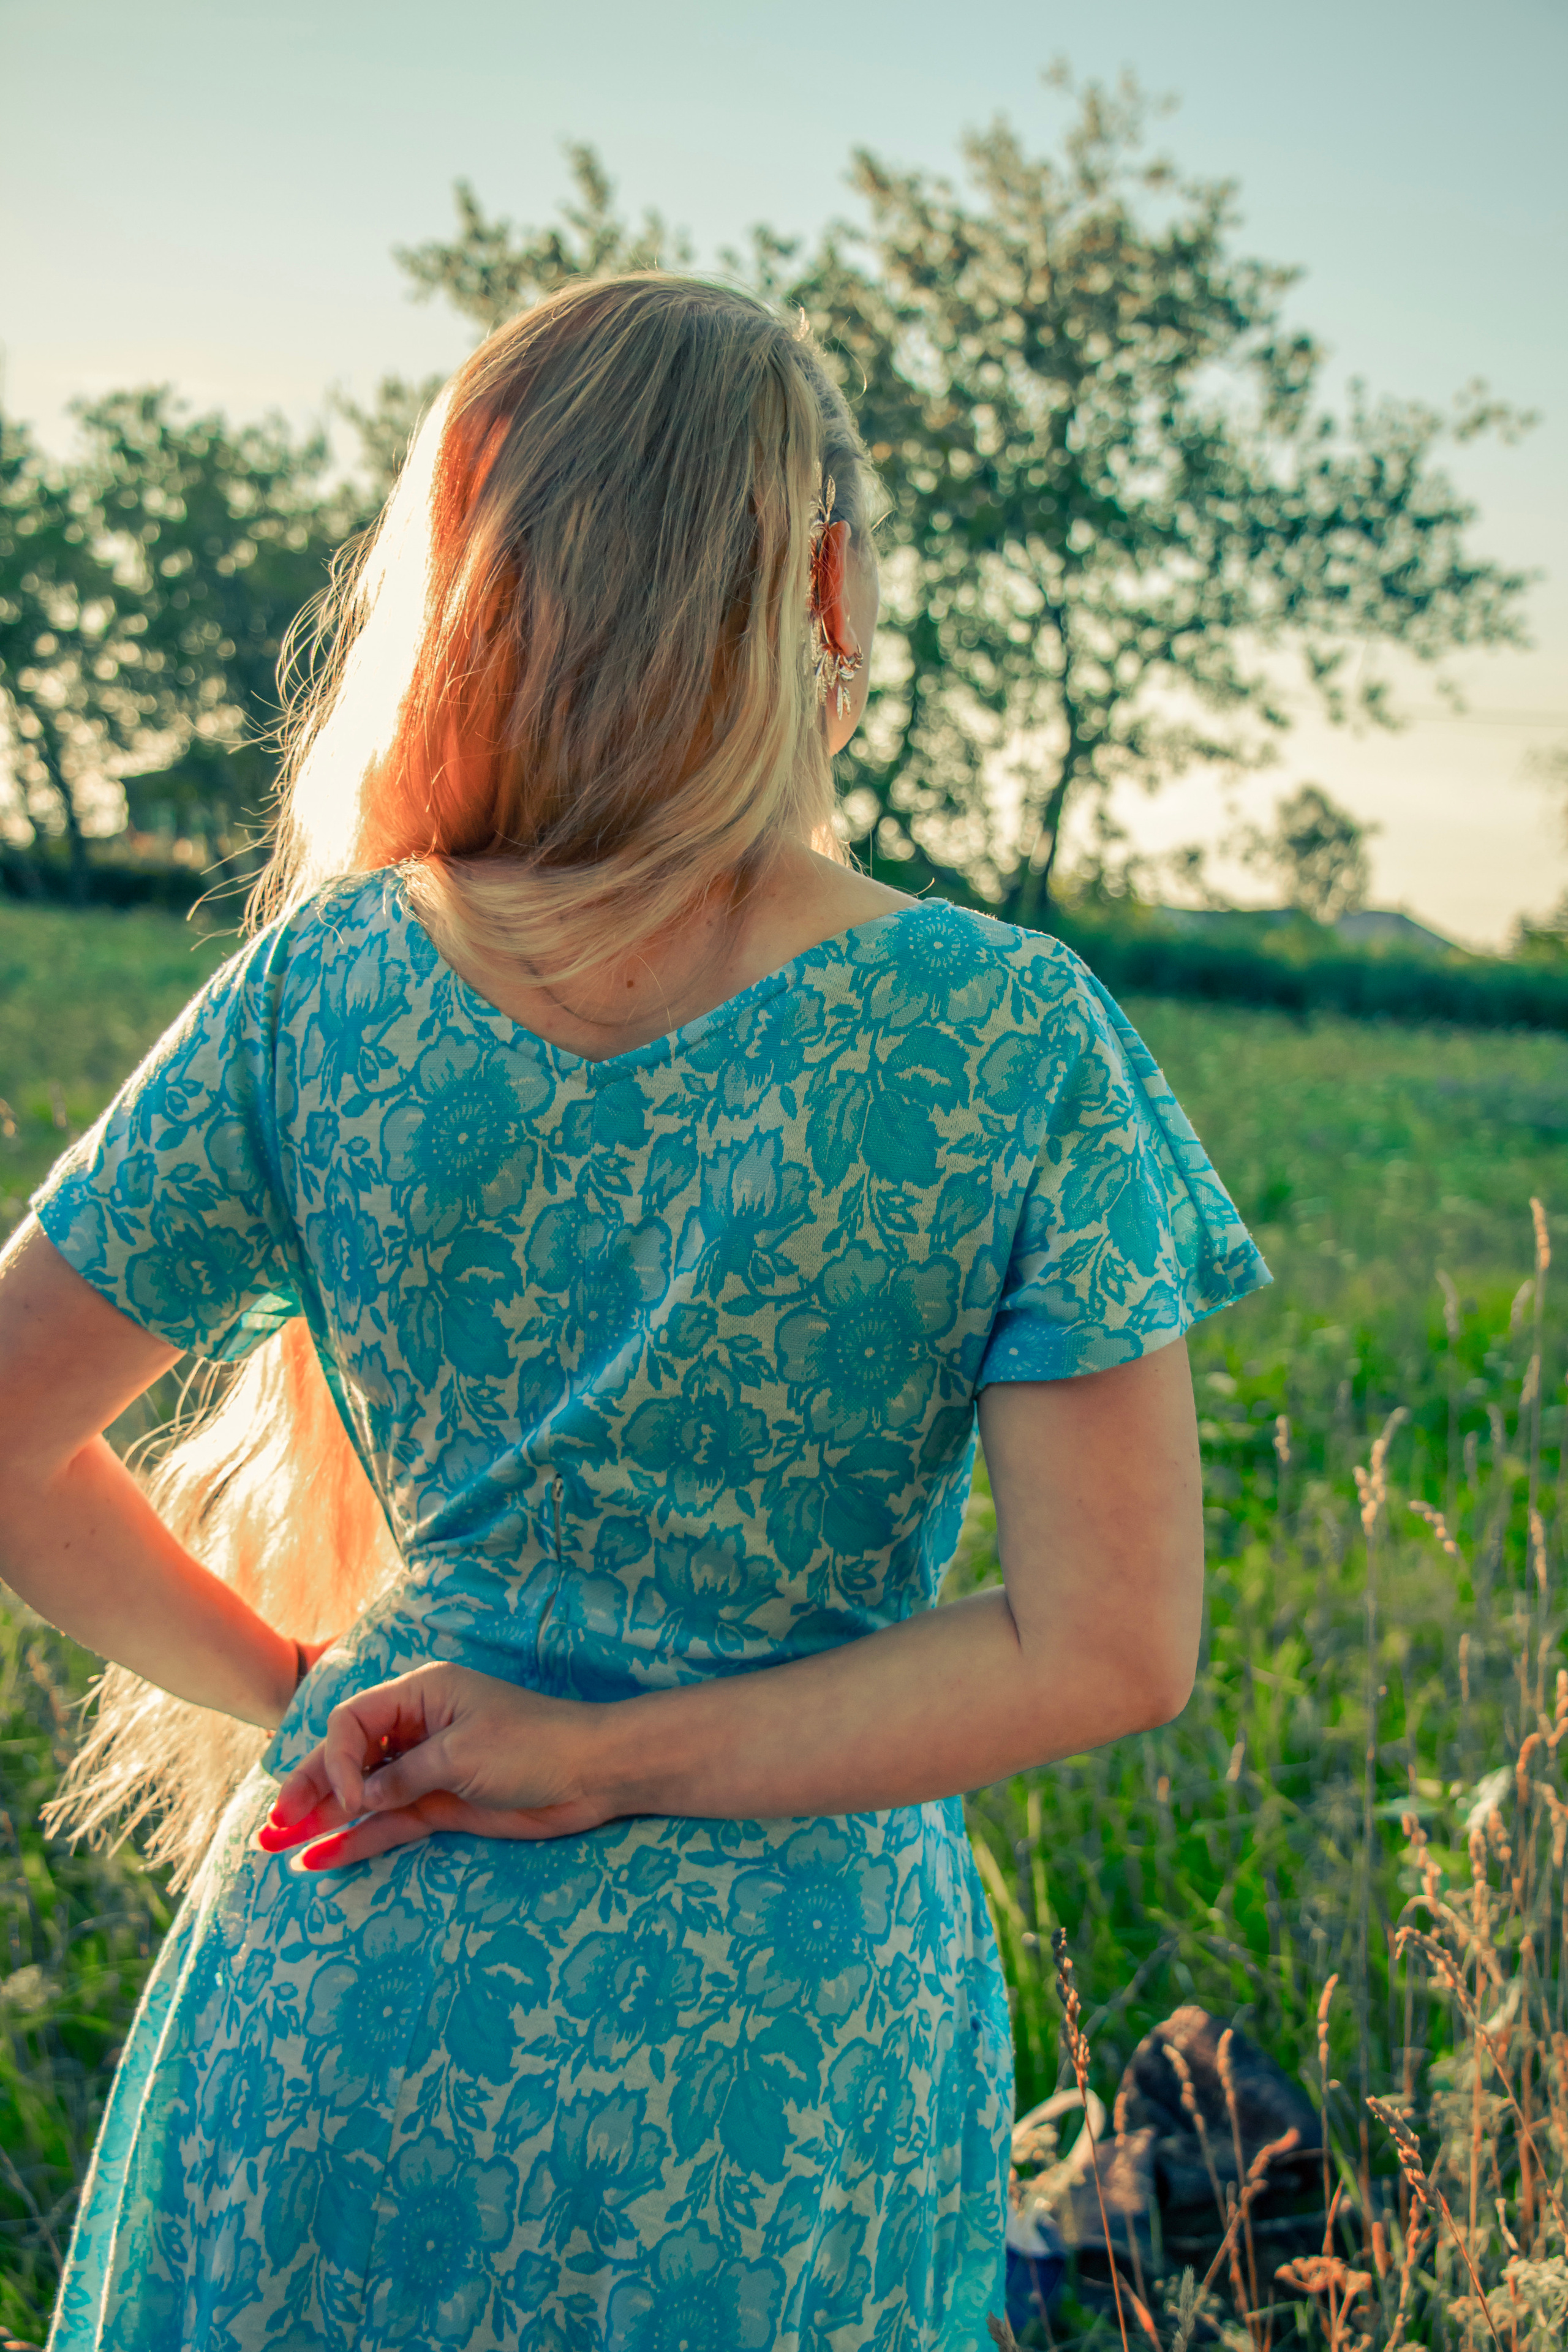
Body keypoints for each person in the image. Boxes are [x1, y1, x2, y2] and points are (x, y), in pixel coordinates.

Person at [0, 274, 1270, 2352]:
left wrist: (305, 1689)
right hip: (775, 2060)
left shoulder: (319, 993)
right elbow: (1113, 1646)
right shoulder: (1008, 1036)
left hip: (345, 1971)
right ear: (825, 590)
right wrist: (598, 1759)